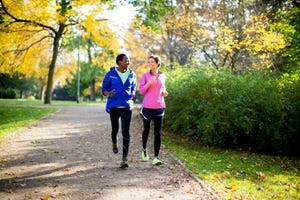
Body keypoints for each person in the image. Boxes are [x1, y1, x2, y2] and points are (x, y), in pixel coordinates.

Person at [102, 53, 136, 168]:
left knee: (125, 131)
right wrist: (108, 93)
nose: (128, 61)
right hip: (114, 105)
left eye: (128, 59)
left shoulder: (132, 74)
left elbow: (133, 87)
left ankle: (124, 158)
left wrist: (133, 94)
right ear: (119, 62)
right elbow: (104, 90)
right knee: (115, 129)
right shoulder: (110, 74)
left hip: (126, 106)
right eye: (126, 60)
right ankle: (114, 142)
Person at [139, 55, 168, 165]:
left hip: (159, 106)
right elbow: (141, 91)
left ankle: (156, 157)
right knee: (146, 130)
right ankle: (144, 149)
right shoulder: (145, 75)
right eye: (149, 62)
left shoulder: (163, 76)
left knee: (157, 132)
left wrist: (165, 92)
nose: (150, 64)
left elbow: (162, 89)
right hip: (147, 107)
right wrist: (149, 82)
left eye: (152, 62)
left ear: (157, 64)